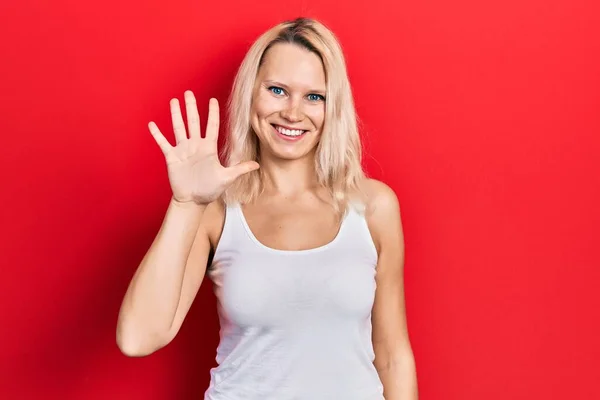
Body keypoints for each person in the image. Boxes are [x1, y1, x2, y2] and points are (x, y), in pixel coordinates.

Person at [116, 17, 418, 400]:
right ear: (251, 94)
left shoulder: (373, 207)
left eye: (314, 97)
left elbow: (393, 356)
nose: (293, 112)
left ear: (333, 108)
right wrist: (186, 203)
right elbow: (138, 337)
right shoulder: (215, 212)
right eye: (277, 90)